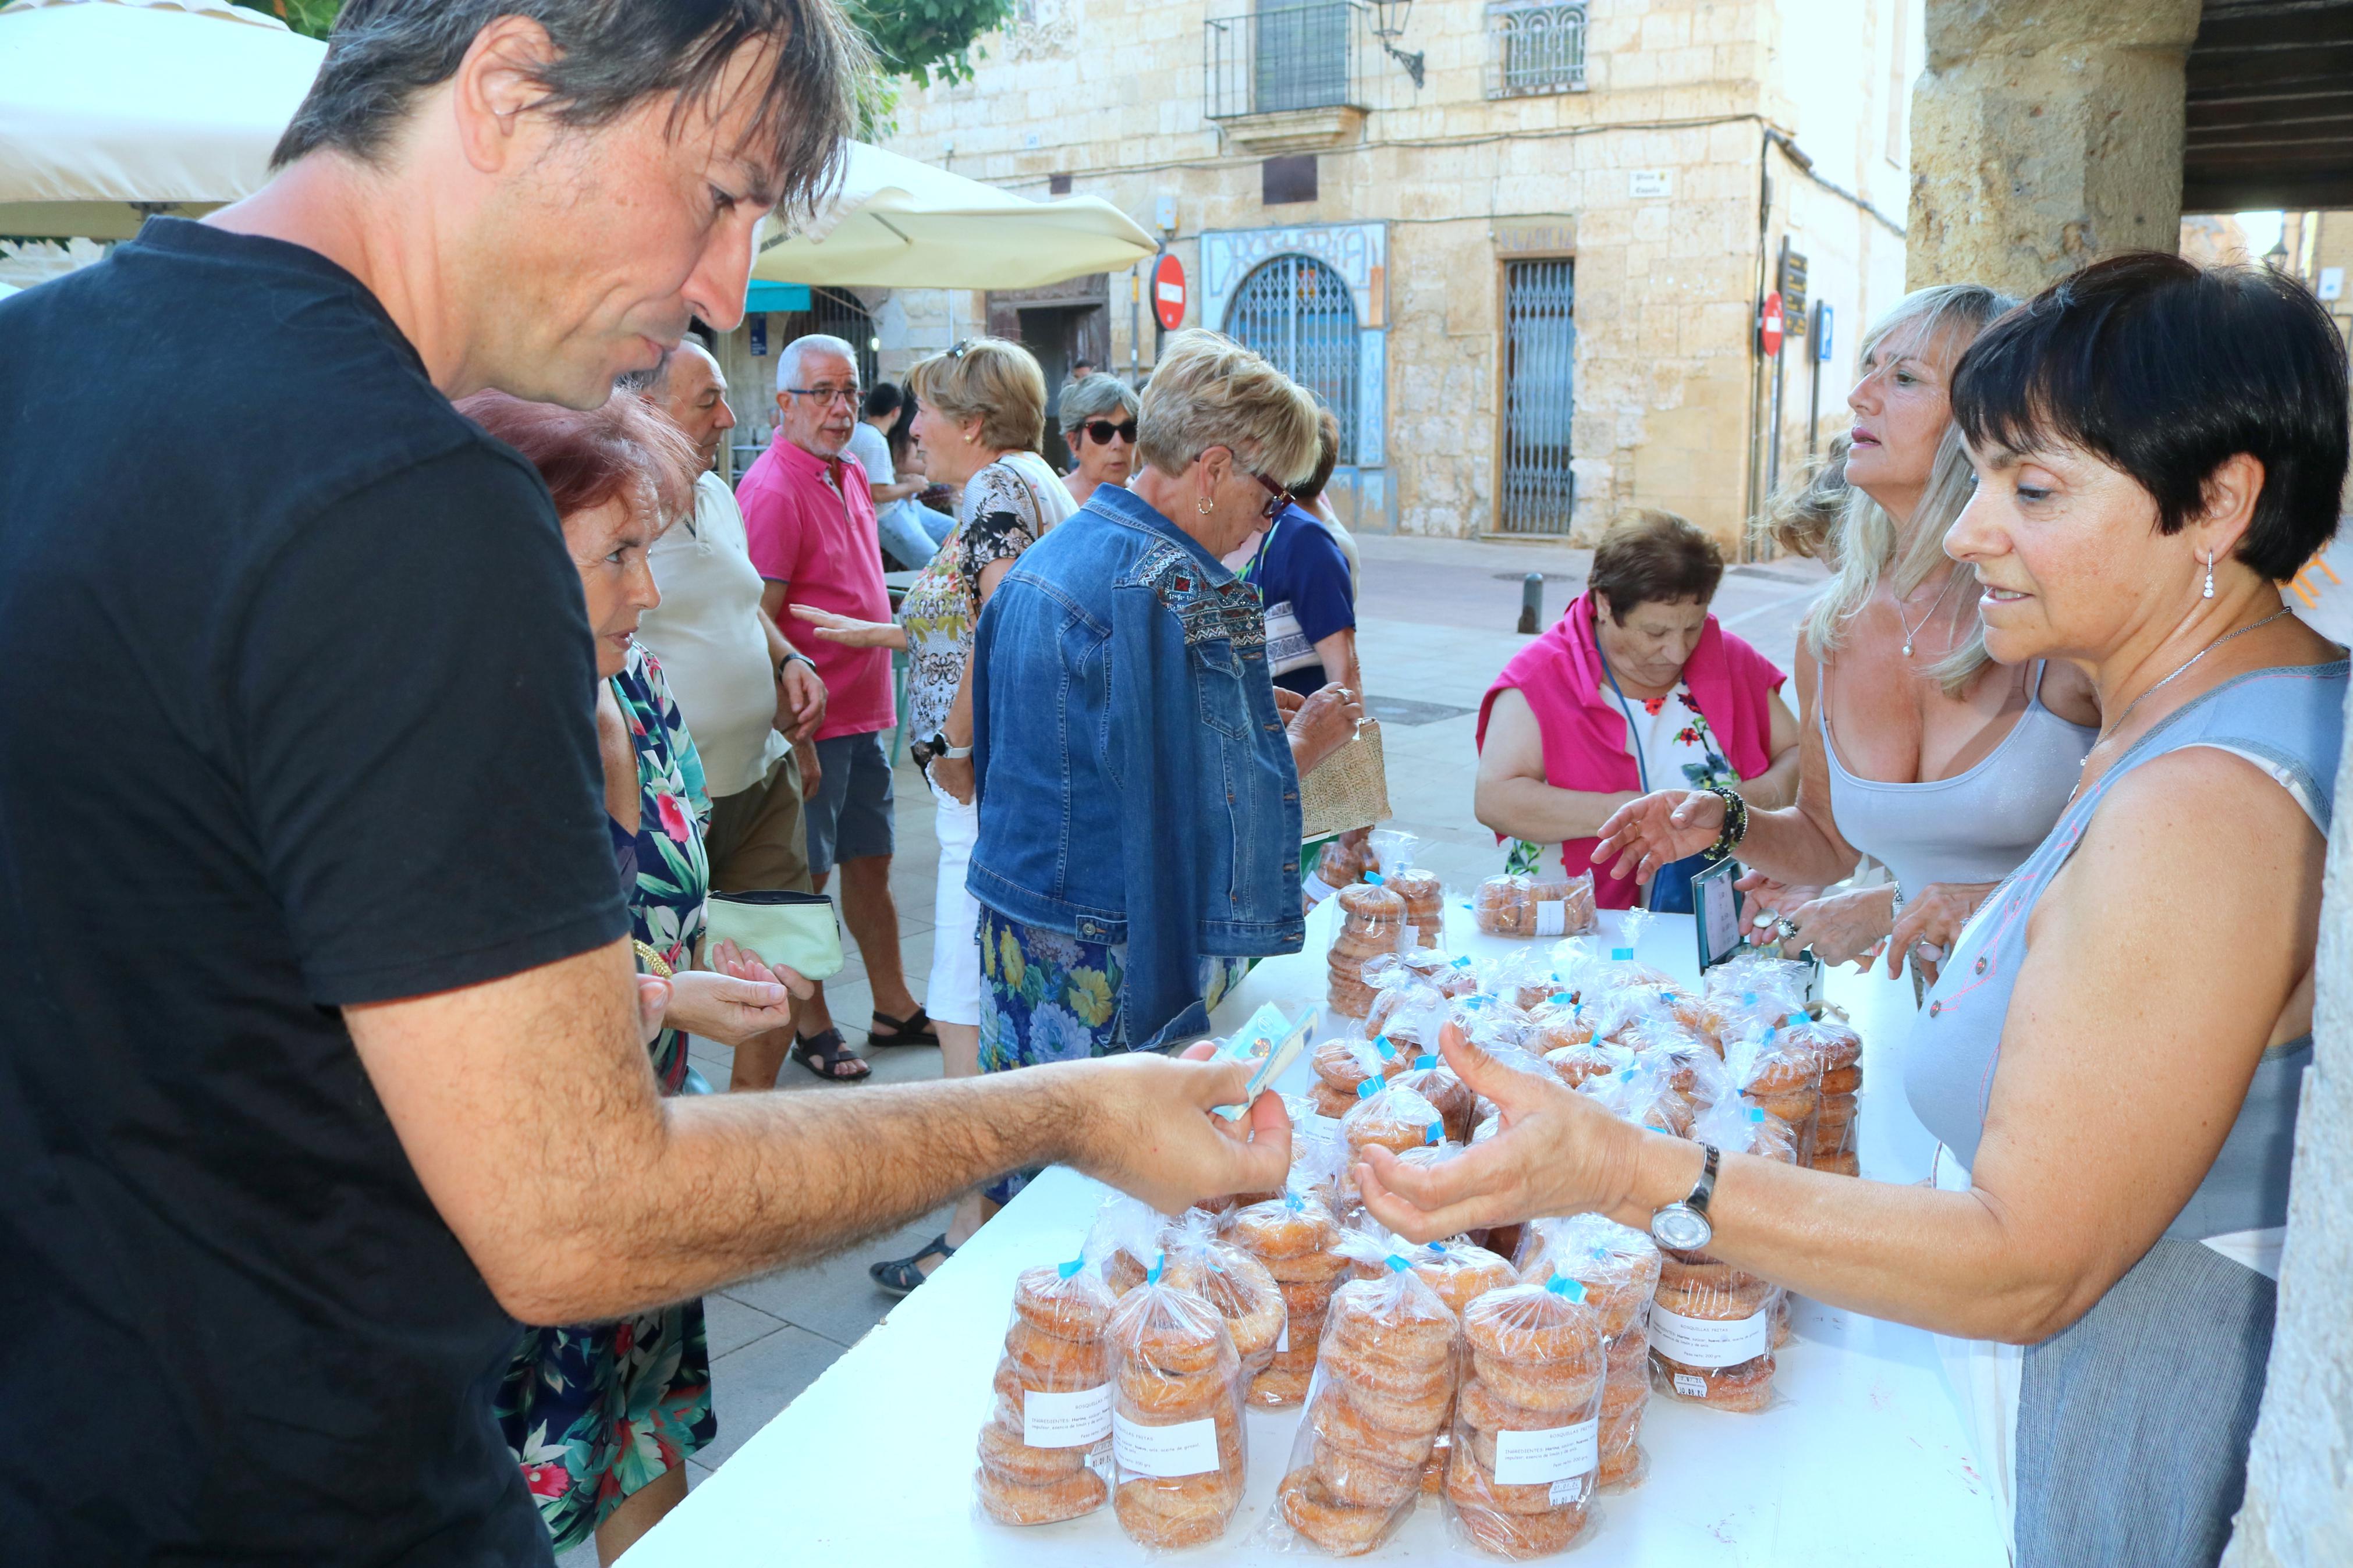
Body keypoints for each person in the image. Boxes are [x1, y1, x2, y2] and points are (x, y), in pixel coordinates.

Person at [0, 7, 1293, 1562]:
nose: (723, 286)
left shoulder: (36, 367)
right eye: (720, 193)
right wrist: (1072, 1104)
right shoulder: (415, 501)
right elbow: (581, 1207)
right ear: (509, 87)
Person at [1360, 252, 2350, 1568]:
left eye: (2032, 489)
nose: (1967, 529)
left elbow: (2025, 1262)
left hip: (2160, 1441)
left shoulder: (2204, 800)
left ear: (2219, 503)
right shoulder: (2196, 727)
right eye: (1983, 477)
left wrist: (1630, 1167)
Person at [459, 389, 799, 1562]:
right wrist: (663, 991)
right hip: (520, 1203)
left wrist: (707, 970)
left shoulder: (636, 686)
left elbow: (659, 894)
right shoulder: (460, 726)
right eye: (619, 555)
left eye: (650, 546)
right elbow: (475, 986)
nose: (648, 590)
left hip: (641, 1158)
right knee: (517, 1488)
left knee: (643, 1436)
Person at [1596, 285, 2099, 979]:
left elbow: (2137, 868)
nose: (1859, 395)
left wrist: (1890, 905)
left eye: (1903, 377)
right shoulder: (1828, 630)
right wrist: (1728, 822)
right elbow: (1826, 840)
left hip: (2060, 1036)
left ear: (1986, 419)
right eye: (1868, 366)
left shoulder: (2061, 622)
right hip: (1911, 1029)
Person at [967, 329, 1364, 1146]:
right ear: (1213, 469)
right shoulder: (1185, 584)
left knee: (1036, 1180)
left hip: (1018, 931)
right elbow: (1203, 815)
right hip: (1117, 951)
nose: (1269, 519)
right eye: (1271, 496)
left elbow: (1001, 757)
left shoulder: (1052, 552)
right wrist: (1301, 752)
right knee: (1125, 1193)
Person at [789, 339, 1059, 1291]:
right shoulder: (1024, 484)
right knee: (968, 988)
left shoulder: (991, 496)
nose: (909, 433)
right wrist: (885, 630)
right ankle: (987, 1201)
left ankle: (969, 1216)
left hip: (980, 793)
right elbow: (976, 606)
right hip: (1005, 789)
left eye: (926, 415)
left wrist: (954, 746)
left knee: (958, 995)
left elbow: (999, 625)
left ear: (973, 424)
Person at [623, 340, 832, 1092]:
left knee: (787, 961)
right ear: (644, 409)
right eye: (707, 398)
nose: (729, 414)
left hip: (760, 772)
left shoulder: (716, 492)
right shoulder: (613, 515)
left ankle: (747, 1120)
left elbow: (743, 605)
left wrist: (784, 661)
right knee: (660, 980)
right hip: (676, 805)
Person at [738, 333, 927, 1078]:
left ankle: (890, 1004)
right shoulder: (774, 488)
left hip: (864, 713)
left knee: (870, 865)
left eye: (849, 390)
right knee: (806, 882)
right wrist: (797, 736)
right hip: (815, 727)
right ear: (783, 403)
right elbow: (761, 623)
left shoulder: (845, 470)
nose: (841, 407)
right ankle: (810, 1020)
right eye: (822, 392)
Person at [1474, 509, 1800, 913]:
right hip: (1577, 925)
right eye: (1655, 632)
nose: (1678, 651)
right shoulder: (1541, 676)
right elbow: (1495, 799)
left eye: (1693, 626)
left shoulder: (1730, 658)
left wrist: (1737, 805)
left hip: (1721, 919)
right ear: (1604, 603)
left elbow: (1797, 753)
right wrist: (1640, 812)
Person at [1237, 406, 1362, 700]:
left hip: (1298, 732)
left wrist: (1347, 740)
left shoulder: (1306, 539)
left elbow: (1344, 672)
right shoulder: (1257, 525)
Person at [849, 381, 954, 570]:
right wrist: (911, 486)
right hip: (887, 515)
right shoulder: (873, 440)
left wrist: (903, 480)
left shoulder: (862, 433)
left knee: (956, 531)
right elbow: (878, 494)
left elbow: (872, 480)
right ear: (896, 411)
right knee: (937, 566)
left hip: (901, 508)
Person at [1059, 371, 1141, 509]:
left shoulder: (1149, 502)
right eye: (1102, 432)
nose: (1118, 444)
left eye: (1128, 430)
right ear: (1073, 442)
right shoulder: (1055, 504)